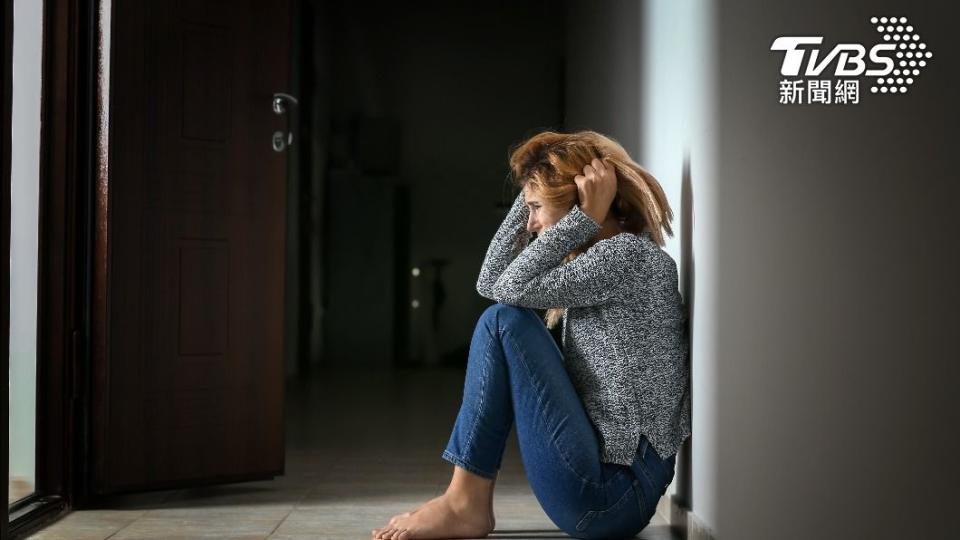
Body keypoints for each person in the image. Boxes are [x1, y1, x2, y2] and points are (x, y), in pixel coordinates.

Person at [372, 130, 691, 540]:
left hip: (610, 495)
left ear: (582, 206)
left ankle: (463, 502)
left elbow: (502, 290)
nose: (532, 224)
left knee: (503, 322)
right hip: (610, 491)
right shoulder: (611, 257)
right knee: (502, 319)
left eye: (537, 208)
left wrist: (581, 218)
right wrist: (537, 190)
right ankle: (462, 502)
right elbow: (492, 281)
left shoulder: (627, 259)